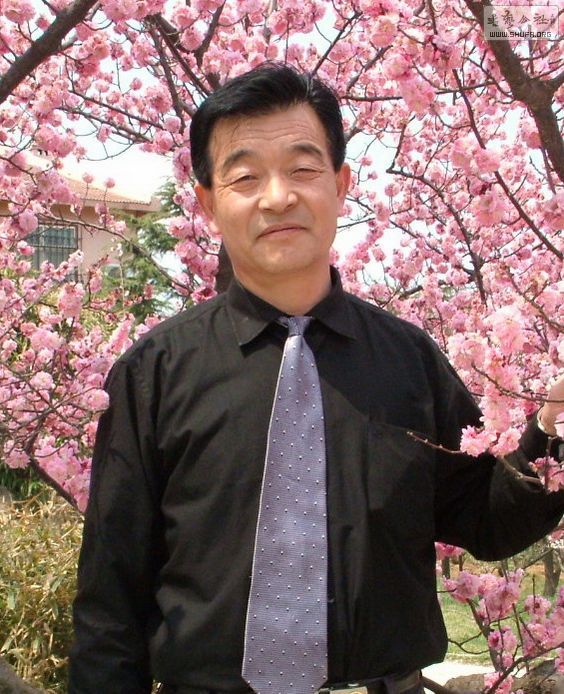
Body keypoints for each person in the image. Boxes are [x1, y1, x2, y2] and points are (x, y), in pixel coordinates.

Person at [69, 63, 564, 694]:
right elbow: (111, 596)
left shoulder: (409, 360)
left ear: (341, 183)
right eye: (245, 177)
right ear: (209, 203)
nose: (278, 197)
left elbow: (486, 519)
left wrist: (552, 428)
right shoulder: (154, 374)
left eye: (303, 169)